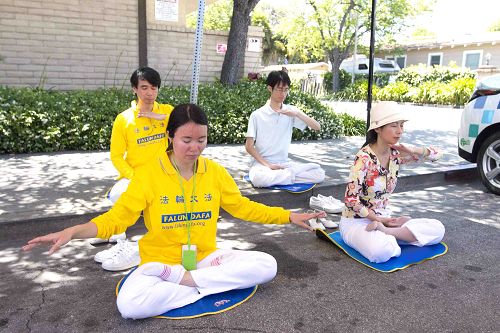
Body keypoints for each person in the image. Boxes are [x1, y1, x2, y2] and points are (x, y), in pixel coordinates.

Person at [23, 104, 325, 320]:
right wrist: (72, 232)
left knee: (267, 265)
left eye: (202, 140)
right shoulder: (148, 175)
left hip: (204, 258)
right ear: (170, 137)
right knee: (130, 306)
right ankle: (204, 284)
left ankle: (192, 284)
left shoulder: (215, 172)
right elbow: (117, 219)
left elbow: (243, 208)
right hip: (161, 262)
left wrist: (288, 216)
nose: (195, 148)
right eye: (187, 140)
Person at [339, 101, 445, 263]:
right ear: (377, 129)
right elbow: (351, 200)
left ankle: (388, 233)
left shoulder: (396, 154)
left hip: (385, 221)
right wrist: (376, 219)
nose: (400, 131)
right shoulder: (363, 158)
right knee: (381, 251)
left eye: (402, 125)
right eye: (394, 126)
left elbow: (437, 155)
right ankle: (395, 235)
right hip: (357, 222)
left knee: (438, 229)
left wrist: (413, 150)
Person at [91, 67, 174, 272]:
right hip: (136, 175)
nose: (149, 93)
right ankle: (118, 237)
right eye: (144, 87)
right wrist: (134, 176)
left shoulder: (166, 111)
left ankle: (147, 248)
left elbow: (181, 123)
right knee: (119, 193)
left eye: (153, 88)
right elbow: (116, 156)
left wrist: (152, 115)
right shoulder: (124, 119)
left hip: (163, 174)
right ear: (134, 89)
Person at [245, 70, 325, 188]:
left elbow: (317, 127)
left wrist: (298, 113)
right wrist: (269, 166)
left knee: (319, 174)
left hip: (284, 164)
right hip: (263, 164)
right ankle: (288, 176)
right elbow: (249, 146)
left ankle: (284, 176)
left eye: (286, 89)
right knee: (258, 179)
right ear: (270, 88)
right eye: (279, 89)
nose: (283, 93)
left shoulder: (291, 111)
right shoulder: (257, 115)